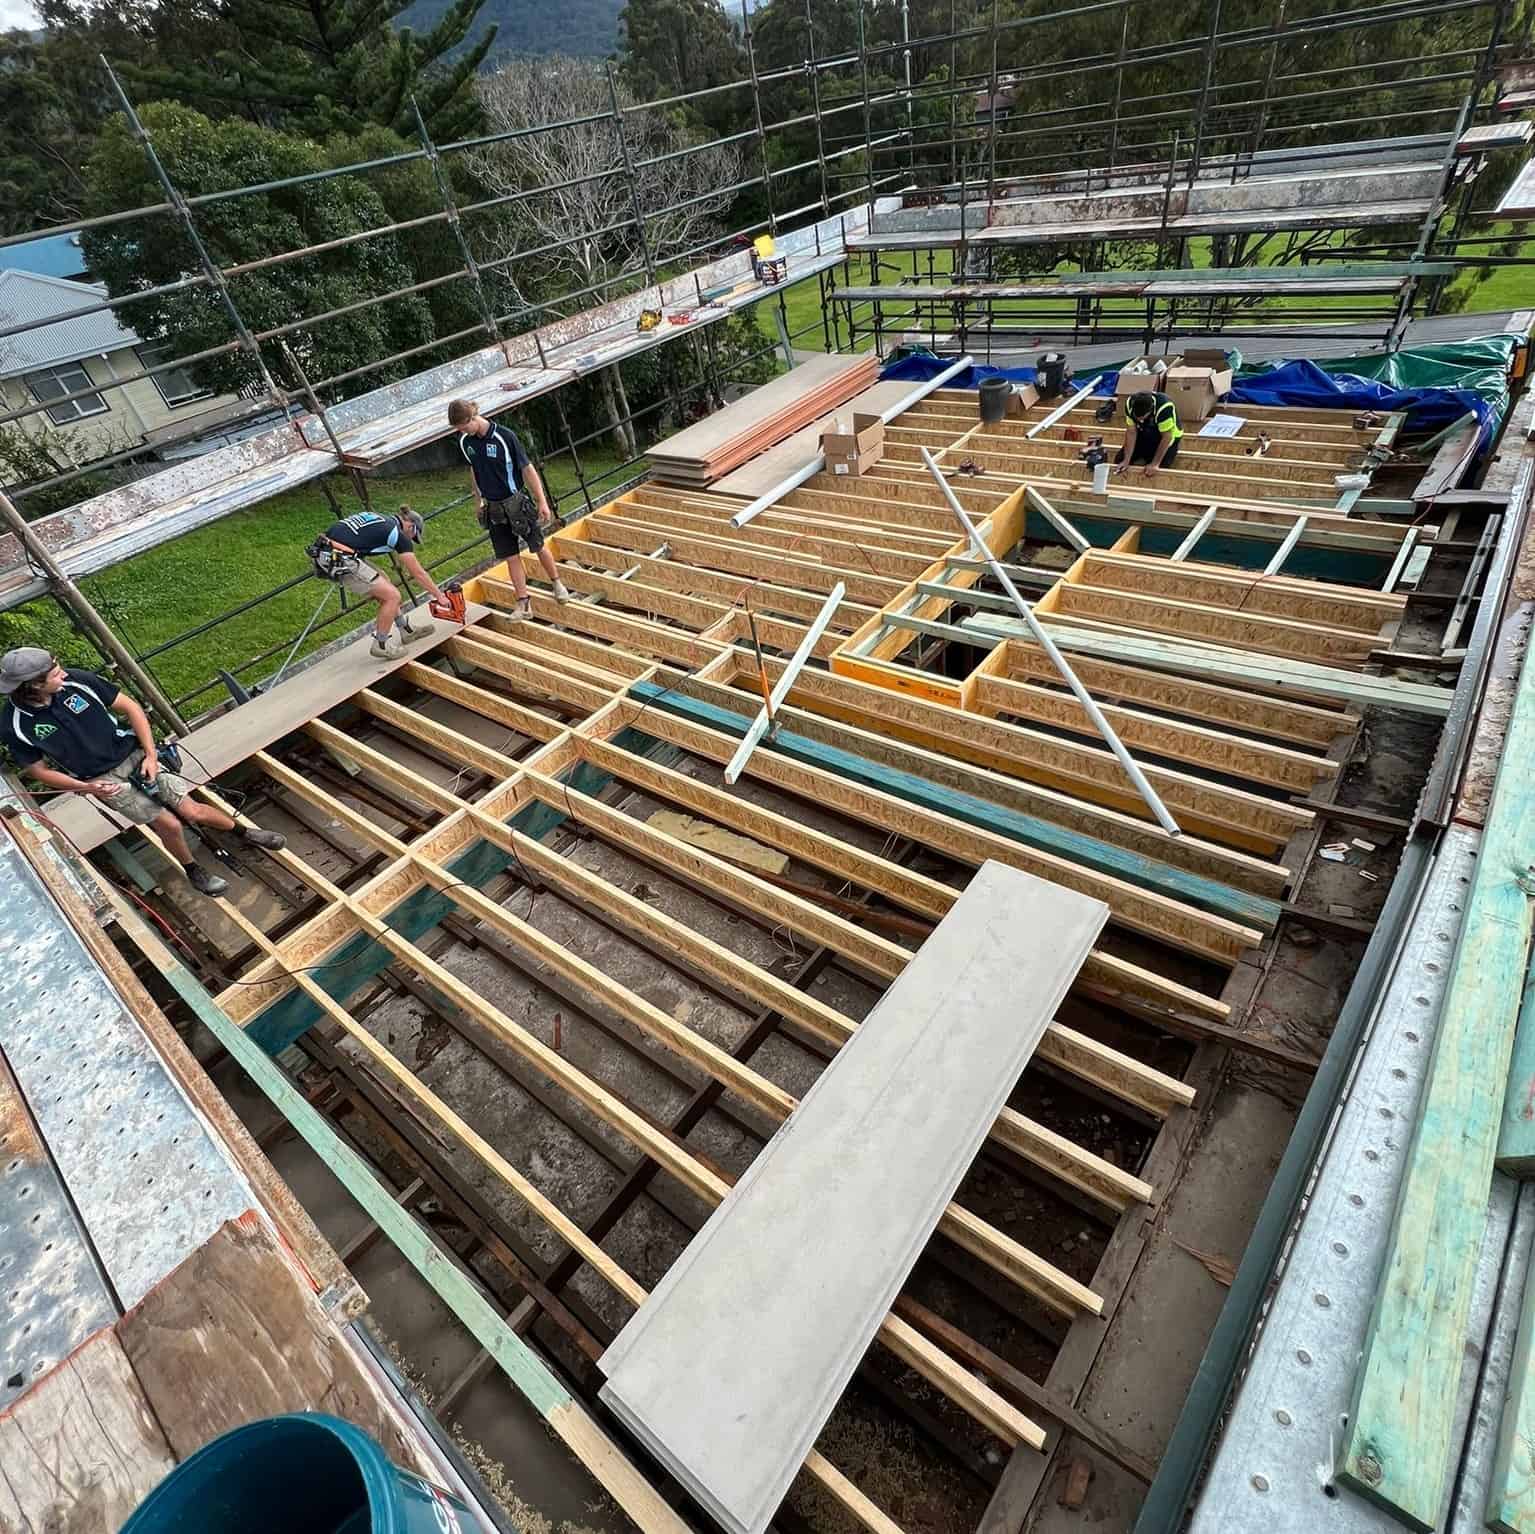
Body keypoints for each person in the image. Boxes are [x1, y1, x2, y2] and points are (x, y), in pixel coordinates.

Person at [0, 648, 285, 897]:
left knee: (193, 811)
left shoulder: (79, 682)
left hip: (136, 755)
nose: (63, 674)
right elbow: (39, 771)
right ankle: (193, 870)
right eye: (54, 673)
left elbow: (131, 708)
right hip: (102, 780)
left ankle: (246, 833)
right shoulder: (14, 724)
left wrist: (150, 754)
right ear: (34, 685)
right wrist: (86, 787)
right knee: (169, 825)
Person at [448, 399, 570, 621]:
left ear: (473, 418)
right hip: (494, 508)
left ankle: (557, 582)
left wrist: (542, 501)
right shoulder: (467, 441)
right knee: (510, 556)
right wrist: (478, 501)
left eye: (464, 427)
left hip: (516, 503)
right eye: (459, 429)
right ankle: (523, 603)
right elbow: (474, 470)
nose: (462, 432)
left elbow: (527, 468)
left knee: (537, 545)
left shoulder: (504, 437)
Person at [314, 505, 446, 660]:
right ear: (410, 526)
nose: (411, 540)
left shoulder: (383, 519)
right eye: (413, 535)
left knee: (384, 581)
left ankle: (407, 631)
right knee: (392, 596)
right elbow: (418, 573)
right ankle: (380, 645)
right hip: (339, 558)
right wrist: (440, 596)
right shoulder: (398, 534)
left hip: (328, 550)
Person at [1114, 389, 1183, 477]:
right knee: (1119, 460)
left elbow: (1167, 437)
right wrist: (1126, 460)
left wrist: (1155, 463)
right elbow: (1131, 431)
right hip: (1144, 432)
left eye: (1143, 417)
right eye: (1137, 418)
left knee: (1157, 470)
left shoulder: (1164, 407)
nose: (1140, 420)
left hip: (1167, 438)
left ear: (1150, 410)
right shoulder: (1129, 403)